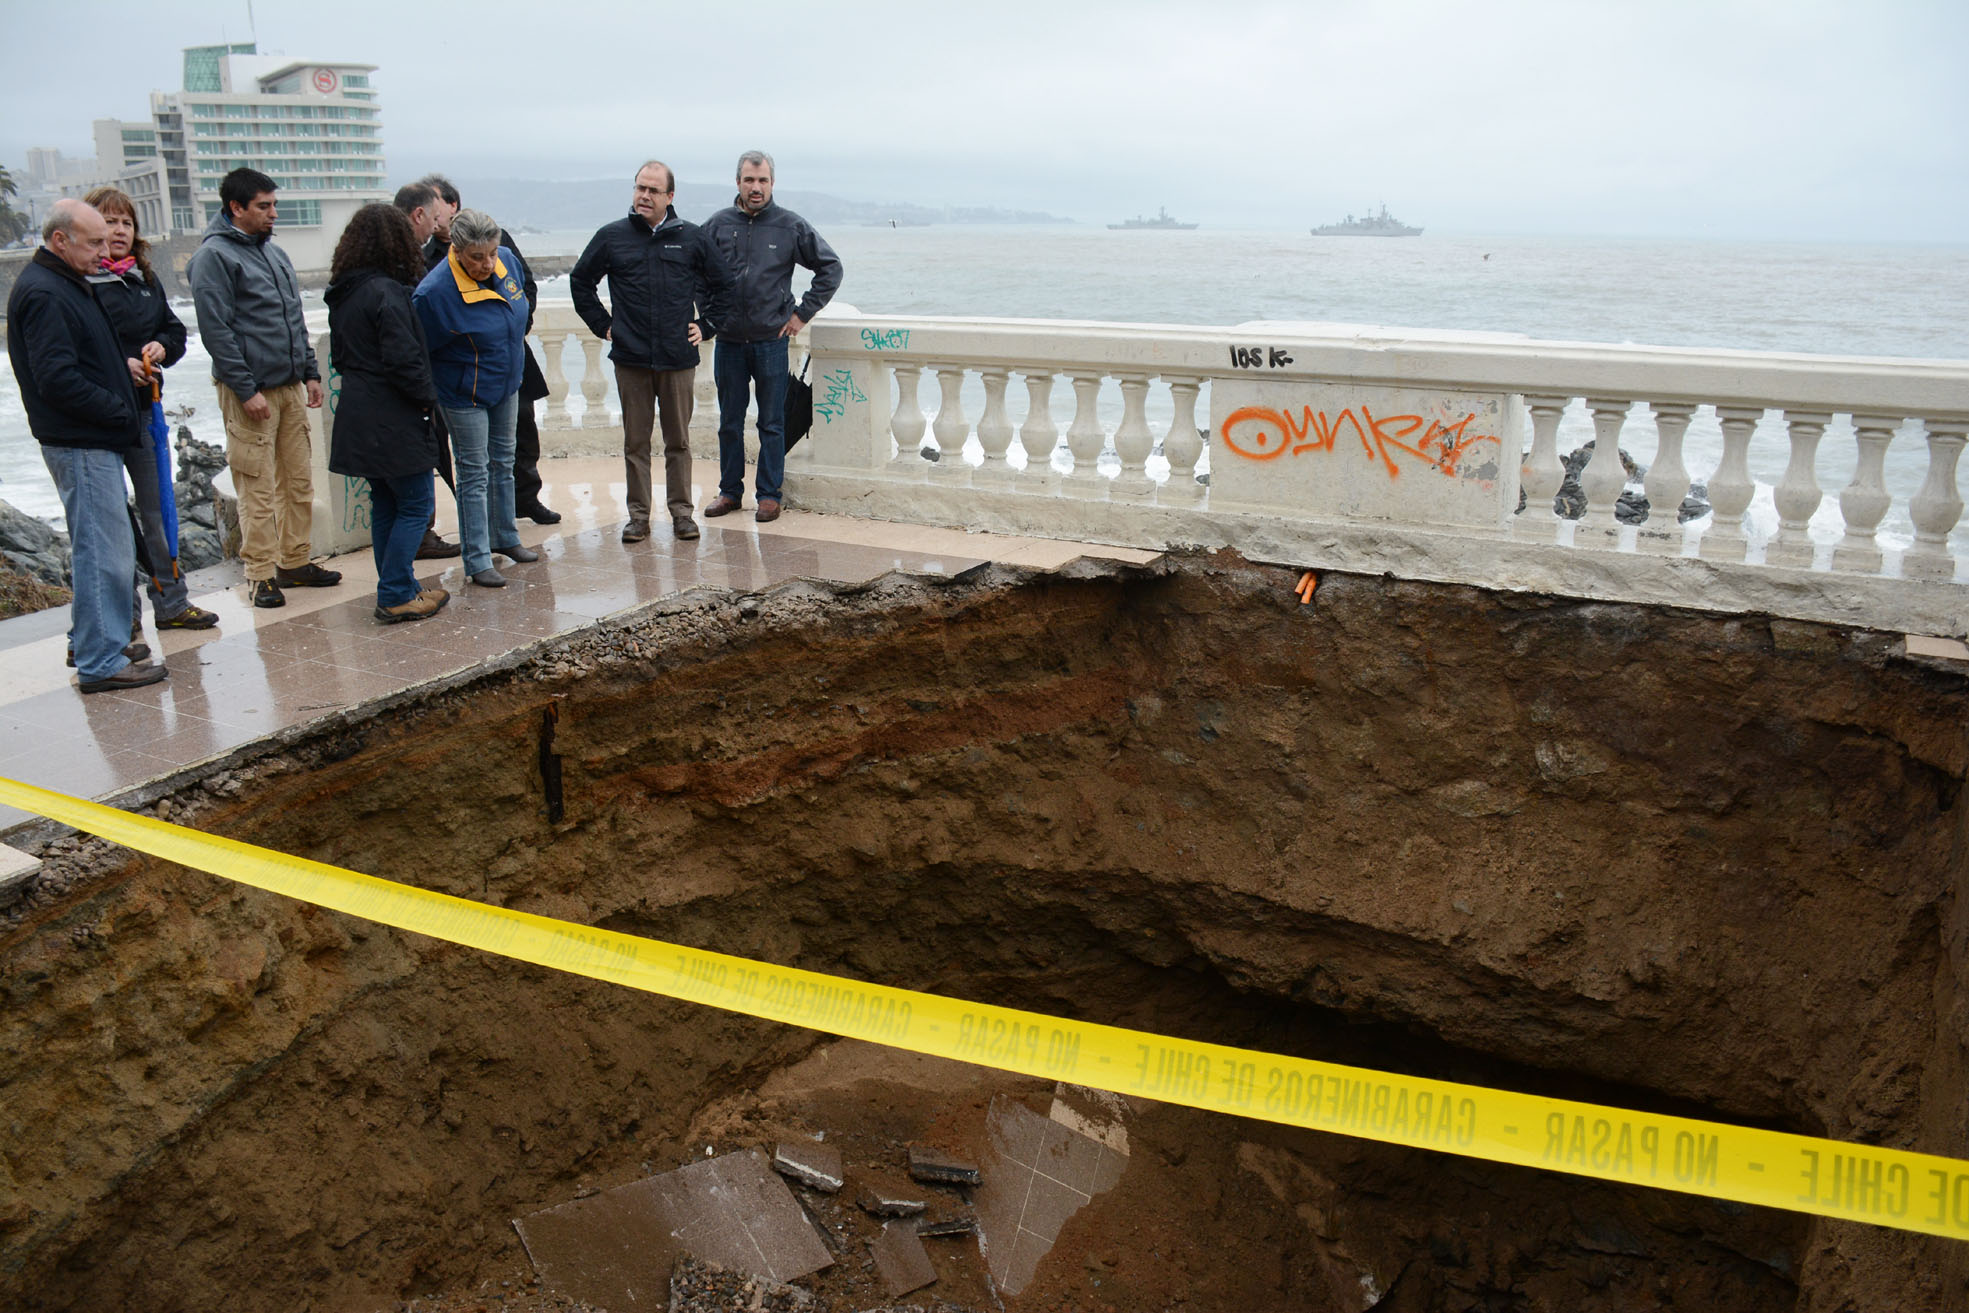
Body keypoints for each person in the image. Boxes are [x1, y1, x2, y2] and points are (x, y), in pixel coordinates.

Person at [6, 200, 167, 692]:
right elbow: (56, 380)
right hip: (81, 441)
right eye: (94, 241)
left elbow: (75, 360)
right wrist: (118, 408)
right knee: (104, 554)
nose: (106, 249)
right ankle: (100, 661)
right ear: (60, 240)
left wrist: (121, 369)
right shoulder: (47, 292)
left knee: (102, 549)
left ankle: (93, 642)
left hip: (89, 438)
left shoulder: (63, 282)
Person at [187, 167, 341, 609]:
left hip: (290, 385)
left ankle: (294, 561)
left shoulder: (274, 254)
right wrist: (244, 387)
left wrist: (310, 373)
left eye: (274, 205)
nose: (273, 213)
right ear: (236, 208)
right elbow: (216, 331)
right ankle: (259, 574)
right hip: (249, 393)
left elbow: (294, 318)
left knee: (298, 481)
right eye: (263, 206)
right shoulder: (214, 257)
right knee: (257, 487)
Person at [571, 159, 734, 542]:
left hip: (678, 358)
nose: (644, 196)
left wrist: (706, 326)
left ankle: (682, 514)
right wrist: (604, 325)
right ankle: (638, 517)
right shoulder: (611, 237)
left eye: (653, 190)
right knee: (636, 443)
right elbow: (581, 282)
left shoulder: (691, 238)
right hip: (630, 358)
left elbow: (724, 287)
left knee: (678, 442)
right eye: (639, 188)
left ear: (670, 196)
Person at [82, 185, 220, 636]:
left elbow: (174, 329)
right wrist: (119, 369)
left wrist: (163, 347)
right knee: (108, 527)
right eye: (109, 221)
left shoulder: (143, 278)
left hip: (145, 412)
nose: (118, 230)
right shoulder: (78, 282)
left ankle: (172, 603)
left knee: (158, 510)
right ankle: (120, 621)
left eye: (126, 222)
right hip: (94, 420)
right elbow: (76, 352)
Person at [325, 203, 450, 623]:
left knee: (386, 503)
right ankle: (396, 592)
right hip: (392, 414)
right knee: (415, 504)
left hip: (358, 411)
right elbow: (403, 360)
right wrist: (426, 400)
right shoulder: (388, 293)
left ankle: (400, 584)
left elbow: (342, 358)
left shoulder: (345, 293)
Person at [704, 151, 842, 523]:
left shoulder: (790, 226)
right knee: (729, 421)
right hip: (729, 342)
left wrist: (802, 314)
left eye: (762, 180)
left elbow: (830, 268)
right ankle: (730, 491)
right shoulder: (717, 226)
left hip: (771, 341)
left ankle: (768, 494)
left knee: (772, 422)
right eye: (749, 180)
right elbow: (695, 272)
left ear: (772, 184)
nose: (756, 187)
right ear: (738, 182)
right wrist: (710, 317)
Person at [419, 175, 559, 526]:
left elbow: (524, 284)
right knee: (471, 460)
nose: (486, 261)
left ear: (452, 205)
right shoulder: (429, 262)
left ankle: (525, 501)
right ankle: (481, 525)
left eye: (438, 207)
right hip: (465, 376)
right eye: (477, 257)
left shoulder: (500, 246)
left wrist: (513, 328)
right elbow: (426, 328)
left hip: (510, 361)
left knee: (520, 436)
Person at [412, 208, 538, 588]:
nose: (487, 264)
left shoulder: (508, 263)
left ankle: (506, 537)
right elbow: (423, 351)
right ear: (457, 249)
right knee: (473, 471)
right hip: (462, 392)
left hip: (506, 381)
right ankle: (478, 557)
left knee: (504, 460)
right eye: (477, 258)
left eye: (492, 254)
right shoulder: (434, 293)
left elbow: (520, 310)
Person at [391, 179, 461, 561]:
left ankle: (407, 561)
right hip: (413, 387)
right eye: (433, 219)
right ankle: (404, 573)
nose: (436, 227)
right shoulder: (401, 268)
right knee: (416, 483)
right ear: (418, 214)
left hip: (419, 381)